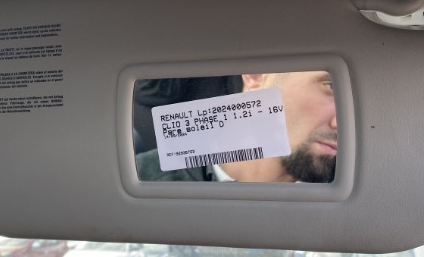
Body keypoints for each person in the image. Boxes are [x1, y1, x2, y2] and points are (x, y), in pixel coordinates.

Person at [136, 71, 337, 183]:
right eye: (332, 86)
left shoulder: (349, 201)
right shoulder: (140, 181)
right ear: (257, 76)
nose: (347, 123)